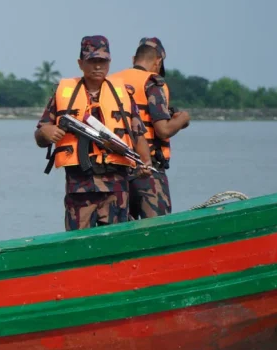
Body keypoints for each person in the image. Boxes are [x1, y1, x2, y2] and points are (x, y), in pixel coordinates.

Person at [34, 35, 153, 231]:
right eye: (92, 61)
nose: (98, 66)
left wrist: (145, 162)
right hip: (79, 187)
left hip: (116, 187)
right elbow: (40, 134)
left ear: (109, 63)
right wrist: (47, 132)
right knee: (77, 241)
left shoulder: (123, 93)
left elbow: (138, 134)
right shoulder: (64, 93)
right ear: (80, 63)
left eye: (103, 61)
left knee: (116, 240)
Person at [110, 37, 190, 219]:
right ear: (158, 61)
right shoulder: (152, 82)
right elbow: (163, 130)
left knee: (122, 228)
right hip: (148, 171)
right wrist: (183, 119)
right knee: (157, 229)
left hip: (116, 172)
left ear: (134, 59)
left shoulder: (111, 82)